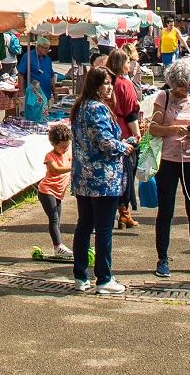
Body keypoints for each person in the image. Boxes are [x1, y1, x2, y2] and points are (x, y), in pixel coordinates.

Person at [70, 66, 135, 294]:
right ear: (95, 84)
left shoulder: (80, 107)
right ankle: (104, 279)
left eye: (110, 83)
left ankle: (80, 276)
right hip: (102, 179)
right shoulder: (97, 109)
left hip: (83, 178)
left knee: (84, 226)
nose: (109, 87)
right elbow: (106, 143)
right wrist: (125, 146)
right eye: (106, 83)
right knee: (103, 229)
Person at [148, 58, 190, 278]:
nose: (184, 90)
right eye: (180, 86)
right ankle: (162, 258)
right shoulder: (163, 98)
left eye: (187, 85)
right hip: (168, 161)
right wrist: (174, 129)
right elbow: (153, 128)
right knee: (166, 210)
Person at [106, 47, 142, 230]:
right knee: (127, 174)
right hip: (123, 132)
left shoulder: (104, 82)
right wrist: (137, 136)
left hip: (107, 131)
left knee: (112, 175)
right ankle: (124, 213)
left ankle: (117, 214)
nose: (130, 65)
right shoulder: (123, 84)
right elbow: (131, 114)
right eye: (128, 62)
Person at [39, 123, 73, 258]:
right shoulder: (50, 156)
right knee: (53, 218)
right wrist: (73, 167)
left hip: (59, 192)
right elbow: (56, 170)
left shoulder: (67, 153)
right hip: (47, 191)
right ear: (53, 143)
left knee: (58, 220)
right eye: (61, 146)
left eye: (67, 146)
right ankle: (58, 246)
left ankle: (58, 247)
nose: (64, 149)